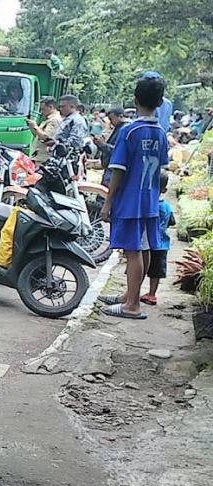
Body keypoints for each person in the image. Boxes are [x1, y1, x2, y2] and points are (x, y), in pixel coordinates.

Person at [99, 75, 170, 319]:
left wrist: (108, 201)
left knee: (132, 251)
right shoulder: (159, 132)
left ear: (135, 99)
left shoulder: (130, 131)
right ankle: (131, 295)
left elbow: (118, 170)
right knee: (144, 247)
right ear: (159, 102)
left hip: (130, 200)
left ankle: (132, 305)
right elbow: (161, 166)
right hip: (149, 198)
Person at [141, 173, 175, 306]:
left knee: (142, 268)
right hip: (162, 245)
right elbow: (172, 221)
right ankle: (151, 295)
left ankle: (133, 291)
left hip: (147, 243)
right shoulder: (167, 206)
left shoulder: (148, 205)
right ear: (164, 190)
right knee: (156, 272)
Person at [94, 106, 127, 185]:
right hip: (110, 166)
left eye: (111, 119)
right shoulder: (118, 128)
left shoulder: (124, 130)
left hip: (115, 167)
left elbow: (119, 150)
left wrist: (103, 145)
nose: (110, 122)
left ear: (120, 117)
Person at [27, 96, 62, 162]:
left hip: (43, 158)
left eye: (43, 109)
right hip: (37, 155)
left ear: (51, 107)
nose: (41, 112)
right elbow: (38, 136)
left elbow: (46, 137)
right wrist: (32, 127)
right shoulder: (47, 119)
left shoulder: (54, 120)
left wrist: (35, 126)